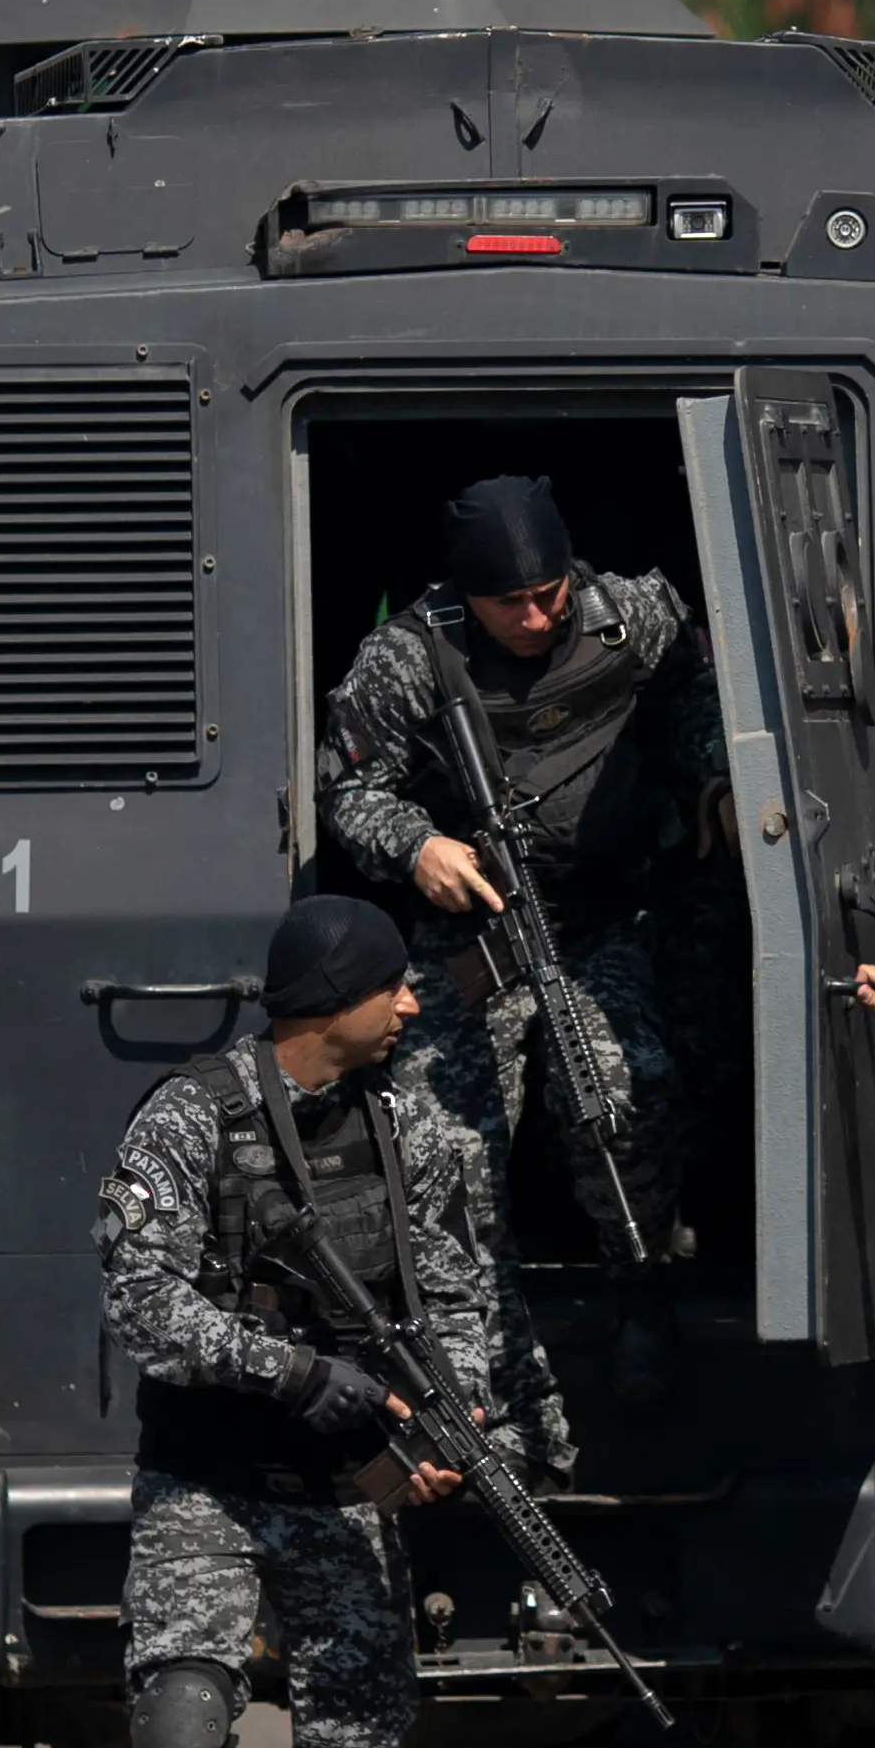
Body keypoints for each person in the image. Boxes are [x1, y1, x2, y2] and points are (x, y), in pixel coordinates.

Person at [91, 891, 571, 1748]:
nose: (414, 1005)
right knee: (182, 1720)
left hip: (342, 1488)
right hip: (207, 1477)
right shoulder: (189, 1120)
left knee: (358, 1740)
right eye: (395, 985)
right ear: (334, 999)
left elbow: (456, 1297)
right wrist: (296, 1373)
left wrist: (452, 1428)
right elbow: (142, 1302)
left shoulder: (415, 1130)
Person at [320, 472, 731, 1261]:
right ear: (465, 591)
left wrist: (714, 779)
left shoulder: (632, 616)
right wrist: (415, 845)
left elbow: (696, 706)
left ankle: (640, 1293)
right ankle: (481, 1331)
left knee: (625, 1098)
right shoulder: (405, 659)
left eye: (550, 594)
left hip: (610, 920)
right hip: (472, 932)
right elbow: (348, 791)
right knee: (448, 1146)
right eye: (511, 603)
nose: (538, 618)